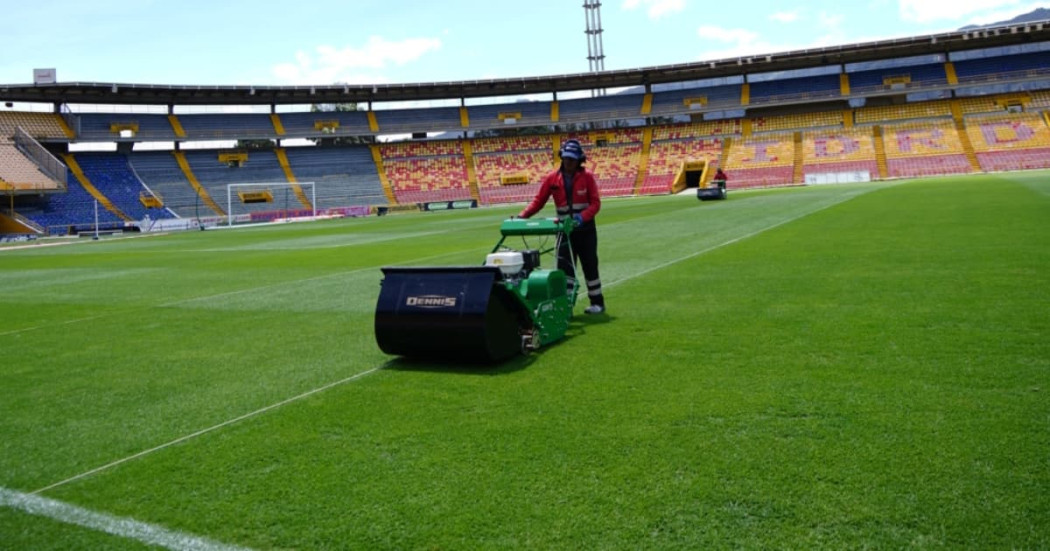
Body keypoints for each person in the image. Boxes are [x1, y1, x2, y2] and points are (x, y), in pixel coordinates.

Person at [517, 139, 606, 314]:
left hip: (585, 230)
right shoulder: (552, 178)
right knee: (565, 269)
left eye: (572, 159)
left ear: (579, 160)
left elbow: (595, 204)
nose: (568, 162)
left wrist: (581, 218)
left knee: (590, 265)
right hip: (563, 232)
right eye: (566, 159)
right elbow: (538, 201)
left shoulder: (587, 177)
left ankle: (597, 303)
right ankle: (566, 306)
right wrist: (522, 216)